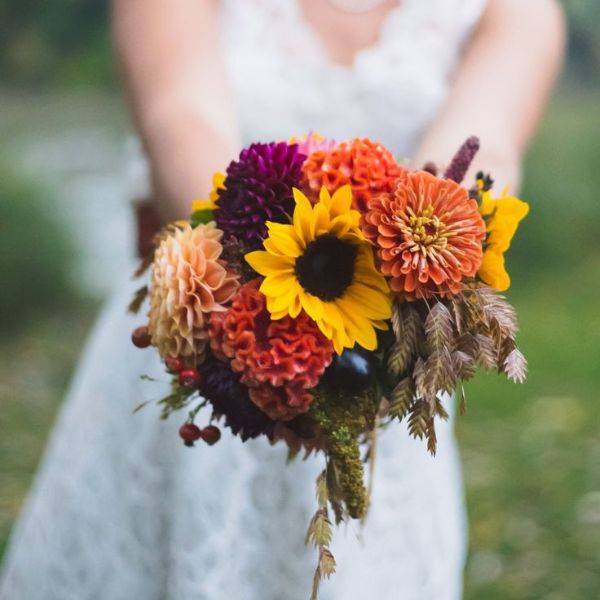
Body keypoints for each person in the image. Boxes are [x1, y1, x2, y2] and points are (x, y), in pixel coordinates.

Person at [0, 1, 564, 598]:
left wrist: (418, 278)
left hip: (379, 361)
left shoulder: (514, 9)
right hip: (202, 329)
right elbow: (180, 118)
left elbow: (486, 153)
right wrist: (254, 319)